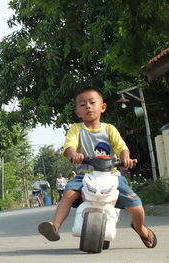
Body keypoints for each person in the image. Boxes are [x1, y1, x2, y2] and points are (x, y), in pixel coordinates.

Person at [38, 87, 157, 248]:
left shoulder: (109, 129)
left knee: (136, 205)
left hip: (111, 175)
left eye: (92, 102)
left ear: (103, 107)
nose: (88, 106)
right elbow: (69, 146)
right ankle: (55, 226)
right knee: (68, 194)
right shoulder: (76, 129)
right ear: (77, 112)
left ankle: (140, 227)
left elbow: (121, 147)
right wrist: (75, 155)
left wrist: (126, 158)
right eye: (82, 104)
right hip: (85, 175)